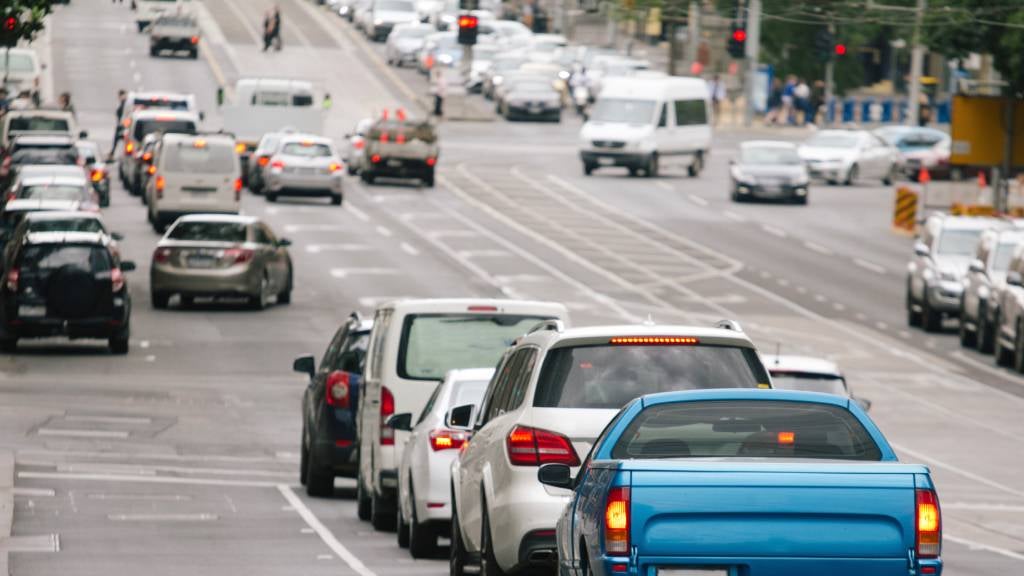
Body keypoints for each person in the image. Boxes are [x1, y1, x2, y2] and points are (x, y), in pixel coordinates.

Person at [110, 89, 127, 158]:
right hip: (122, 124)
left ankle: (113, 152)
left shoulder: (125, 103)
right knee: (117, 139)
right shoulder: (123, 103)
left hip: (123, 125)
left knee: (120, 138)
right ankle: (112, 152)